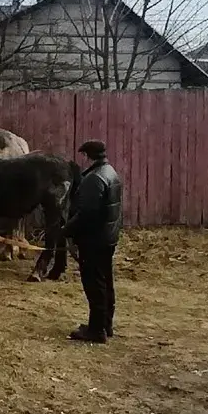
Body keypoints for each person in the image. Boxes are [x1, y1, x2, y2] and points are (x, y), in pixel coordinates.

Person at [62, 139, 122, 344]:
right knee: (105, 281)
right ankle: (105, 324)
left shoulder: (94, 179)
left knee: (94, 284)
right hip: (108, 238)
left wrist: (66, 231)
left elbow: (86, 214)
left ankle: (96, 331)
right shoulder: (111, 173)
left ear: (87, 156)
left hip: (94, 240)